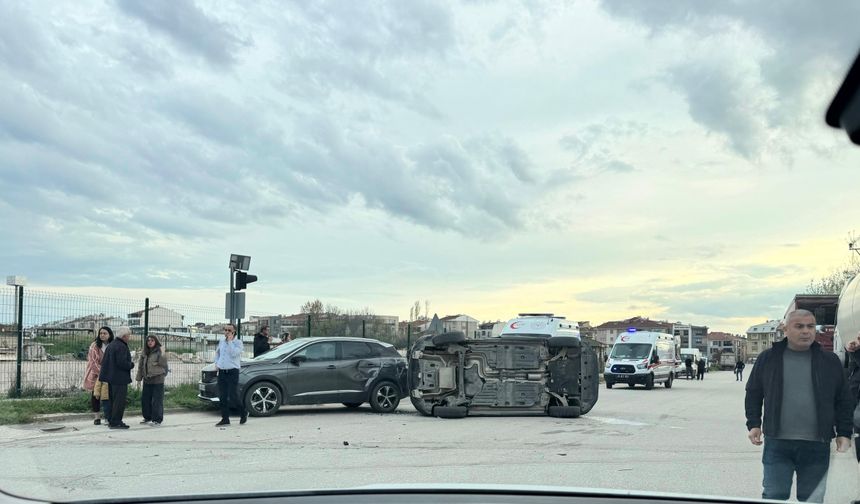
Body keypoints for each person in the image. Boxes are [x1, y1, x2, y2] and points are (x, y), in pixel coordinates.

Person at [745, 309, 853, 503]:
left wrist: (844, 432)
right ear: (785, 329)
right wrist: (754, 424)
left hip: (817, 444)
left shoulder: (830, 361)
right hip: (777, 443)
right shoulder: (768, 359)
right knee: (774, 496)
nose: (806, 331)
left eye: (810, 326)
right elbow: (753, 393)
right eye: (799, 326)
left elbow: (843, 399)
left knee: (812, 499)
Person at [99, 326, 135, 430]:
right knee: (119, 401)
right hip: (119, 378)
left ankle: (111, 420)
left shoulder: (112, 345)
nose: (129, 337)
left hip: (111, 378)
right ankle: (116, 422)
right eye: (128, 335)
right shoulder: (121, 346)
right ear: (124, 336)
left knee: (112, 400)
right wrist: (131, 364)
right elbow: (122, 363)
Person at [215, 324, 247, 426]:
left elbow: (234, 353)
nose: (227, 332)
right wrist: (217, 363)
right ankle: (225, 418)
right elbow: (218, 353)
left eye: (229, 330)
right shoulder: (221, 341)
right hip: (222, 372)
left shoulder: (238, 343)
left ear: (234, 332)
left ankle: (243, 412)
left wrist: (230, 342)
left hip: (232, 371)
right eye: (225, 330)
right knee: (222, 396)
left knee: (233, 395)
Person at [136, 335, 169, 426]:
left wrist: (162, 353)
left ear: (156, 341)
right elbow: (140, 366)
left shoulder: (159, 351)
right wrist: (139, 379)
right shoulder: (144, 352)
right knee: (145, 400)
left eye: (152, 340)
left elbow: (163, 364)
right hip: (147, 379)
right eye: (148, 340)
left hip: (158, 379)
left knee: (157, 401)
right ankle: (147, 417)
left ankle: (157, 420)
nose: (150, 342)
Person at [83, 326, 113, 425]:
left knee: (108, 394)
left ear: (110, 335)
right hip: (96, 373)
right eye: (101, 333)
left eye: (105, 333)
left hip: (110, 374)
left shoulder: (112, 345)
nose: (102, 335)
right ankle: (97, 417)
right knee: (95, 395)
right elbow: (93, 362)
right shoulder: (94, 345)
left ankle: (108, 416)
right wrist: (102, 373)